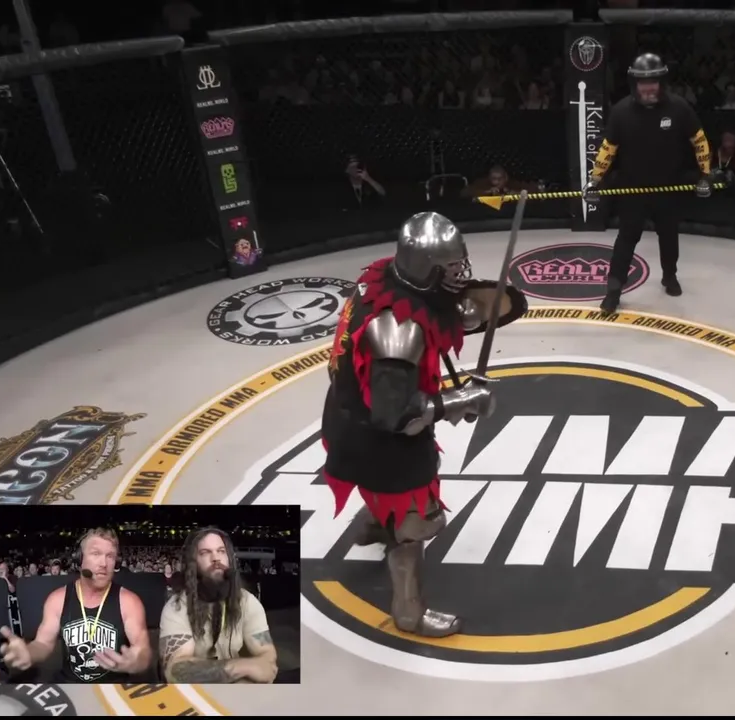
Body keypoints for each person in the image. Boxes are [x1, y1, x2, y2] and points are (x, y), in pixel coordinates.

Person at [321, 211, 519, 638]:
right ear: (426, 269)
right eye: (450, 268)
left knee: (388, 500)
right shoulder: (398, 334)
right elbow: (397, 416)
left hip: (346, 414)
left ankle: (375, 524)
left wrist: (459, 314)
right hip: (378, 438)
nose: (460, 274)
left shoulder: (381, 278)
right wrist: (462, 399)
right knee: (414, 524)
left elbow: (428, 314)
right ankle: (409, 612)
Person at [585, 53, 716, 314]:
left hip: (668, 187)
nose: (648, 89)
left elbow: (699, 141)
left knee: (669, 235)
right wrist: (594, 180)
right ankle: (613, 290)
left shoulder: (679, 108)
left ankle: (669, 275)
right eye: (643, 83)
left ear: (662, 82)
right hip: (633, 189)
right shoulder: (621, 111)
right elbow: (608, 149)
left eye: (653, 82)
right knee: (626, 239)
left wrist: (706, 175)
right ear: (634, 84)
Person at [0, 528, 152, 683]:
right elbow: (43, 643)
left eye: (110, 556)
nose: (104, 563)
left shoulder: (129, 602)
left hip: (113, 688)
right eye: (96, 554)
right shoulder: (58, 599)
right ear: (79, 559)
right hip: (70, 685)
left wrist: (136, 662)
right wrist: (28, 653)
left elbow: (143, 651)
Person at [159, 527, 277, 683]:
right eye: (205, 552)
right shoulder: (176, 607)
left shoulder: (247, 602)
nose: (216, 558)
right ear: (193, 563)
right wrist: (240, 667)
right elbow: (175, 671)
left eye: (221, 551)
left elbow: (268, 660)